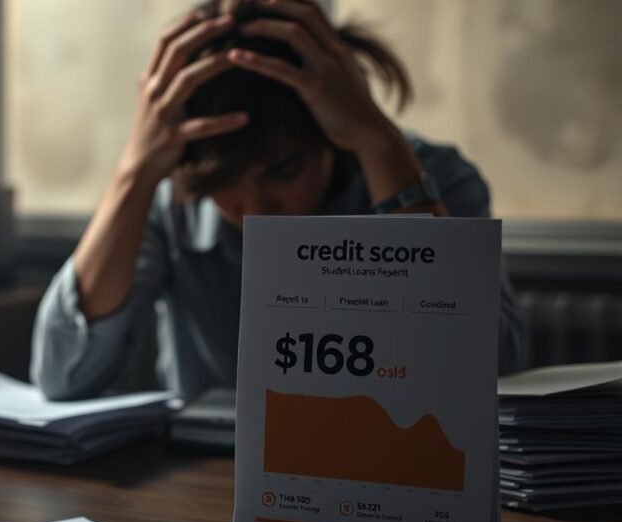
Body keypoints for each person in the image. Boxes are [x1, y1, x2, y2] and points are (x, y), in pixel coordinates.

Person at [31, 0, 526, 401]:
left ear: (331, 141)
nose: (254, 208)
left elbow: (489, 374)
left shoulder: (433, 178)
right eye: (224, 181)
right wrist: (134, 172)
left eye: (285, 172)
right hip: (209, 482)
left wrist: (378, 141)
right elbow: (62, 375)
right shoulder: (175, 203)